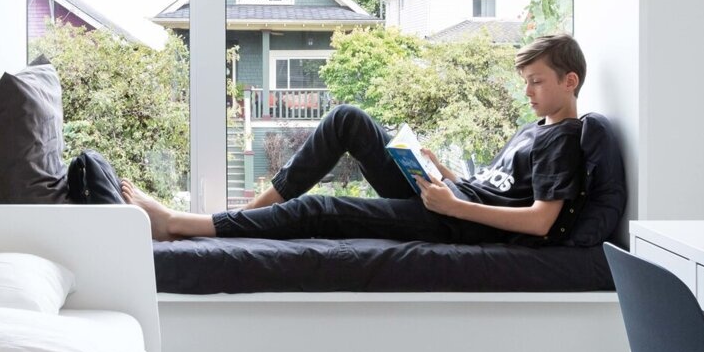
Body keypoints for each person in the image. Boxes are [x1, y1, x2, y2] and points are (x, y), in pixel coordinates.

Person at [126, 34, 590, 246]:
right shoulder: (537, 127)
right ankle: (248, 217)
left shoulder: (563, 139)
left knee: (319, 209)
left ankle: (178, 224)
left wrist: (452, 206)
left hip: (459, 223)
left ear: (569, 81)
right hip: (452, 200)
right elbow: (496, 185)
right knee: (348, 119)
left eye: (537, 82)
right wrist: (442, 171)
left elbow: (540, 222)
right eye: (525, 81)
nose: (527, 92)